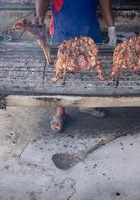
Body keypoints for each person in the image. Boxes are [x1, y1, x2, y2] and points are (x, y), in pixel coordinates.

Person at [34, 0, 116, 132]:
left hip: (90, 32)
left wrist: (112, 28)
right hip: (63, 32)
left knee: (92, 70)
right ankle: (60, 111)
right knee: (61, 73)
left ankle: (88, 104)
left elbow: (104, 2)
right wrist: (40, 15)